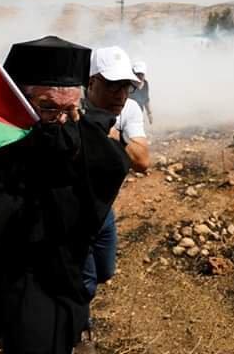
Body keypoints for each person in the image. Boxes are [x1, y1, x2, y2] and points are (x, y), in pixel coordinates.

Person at [0, 36, 131, 354]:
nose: (61, 119)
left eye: (70, 109)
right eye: (48, 108)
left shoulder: (75, 134)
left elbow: (111, 167)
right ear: (21, 103)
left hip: (52, 281)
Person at [77, 46, 150, 350]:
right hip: (73, 213)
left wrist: (112, 137)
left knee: (104, 271)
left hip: (103, 211)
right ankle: (79, 330)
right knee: (85, 283)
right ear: (91, 82)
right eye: (112, 86)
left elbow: (142, 160)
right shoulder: (72, 108)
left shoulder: (129, 110)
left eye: (125, 86)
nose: (120, 95)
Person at [129, 60, 153, 125]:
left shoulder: (145, 84)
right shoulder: (127, 84)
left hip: (139, 114)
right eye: (137, 74)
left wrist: (149, 113)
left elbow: (146, 100)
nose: (139, 76)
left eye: (141, 74)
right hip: (128, 115)